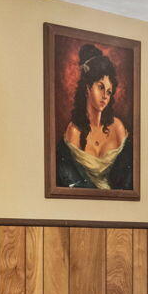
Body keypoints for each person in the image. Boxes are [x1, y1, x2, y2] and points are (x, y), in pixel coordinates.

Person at [55, 43, 132, 191]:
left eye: (109, 92)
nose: (105, 96)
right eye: (101, 87)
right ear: (87, 88)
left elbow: (127, 180)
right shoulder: (73, 132)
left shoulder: (118, 128)